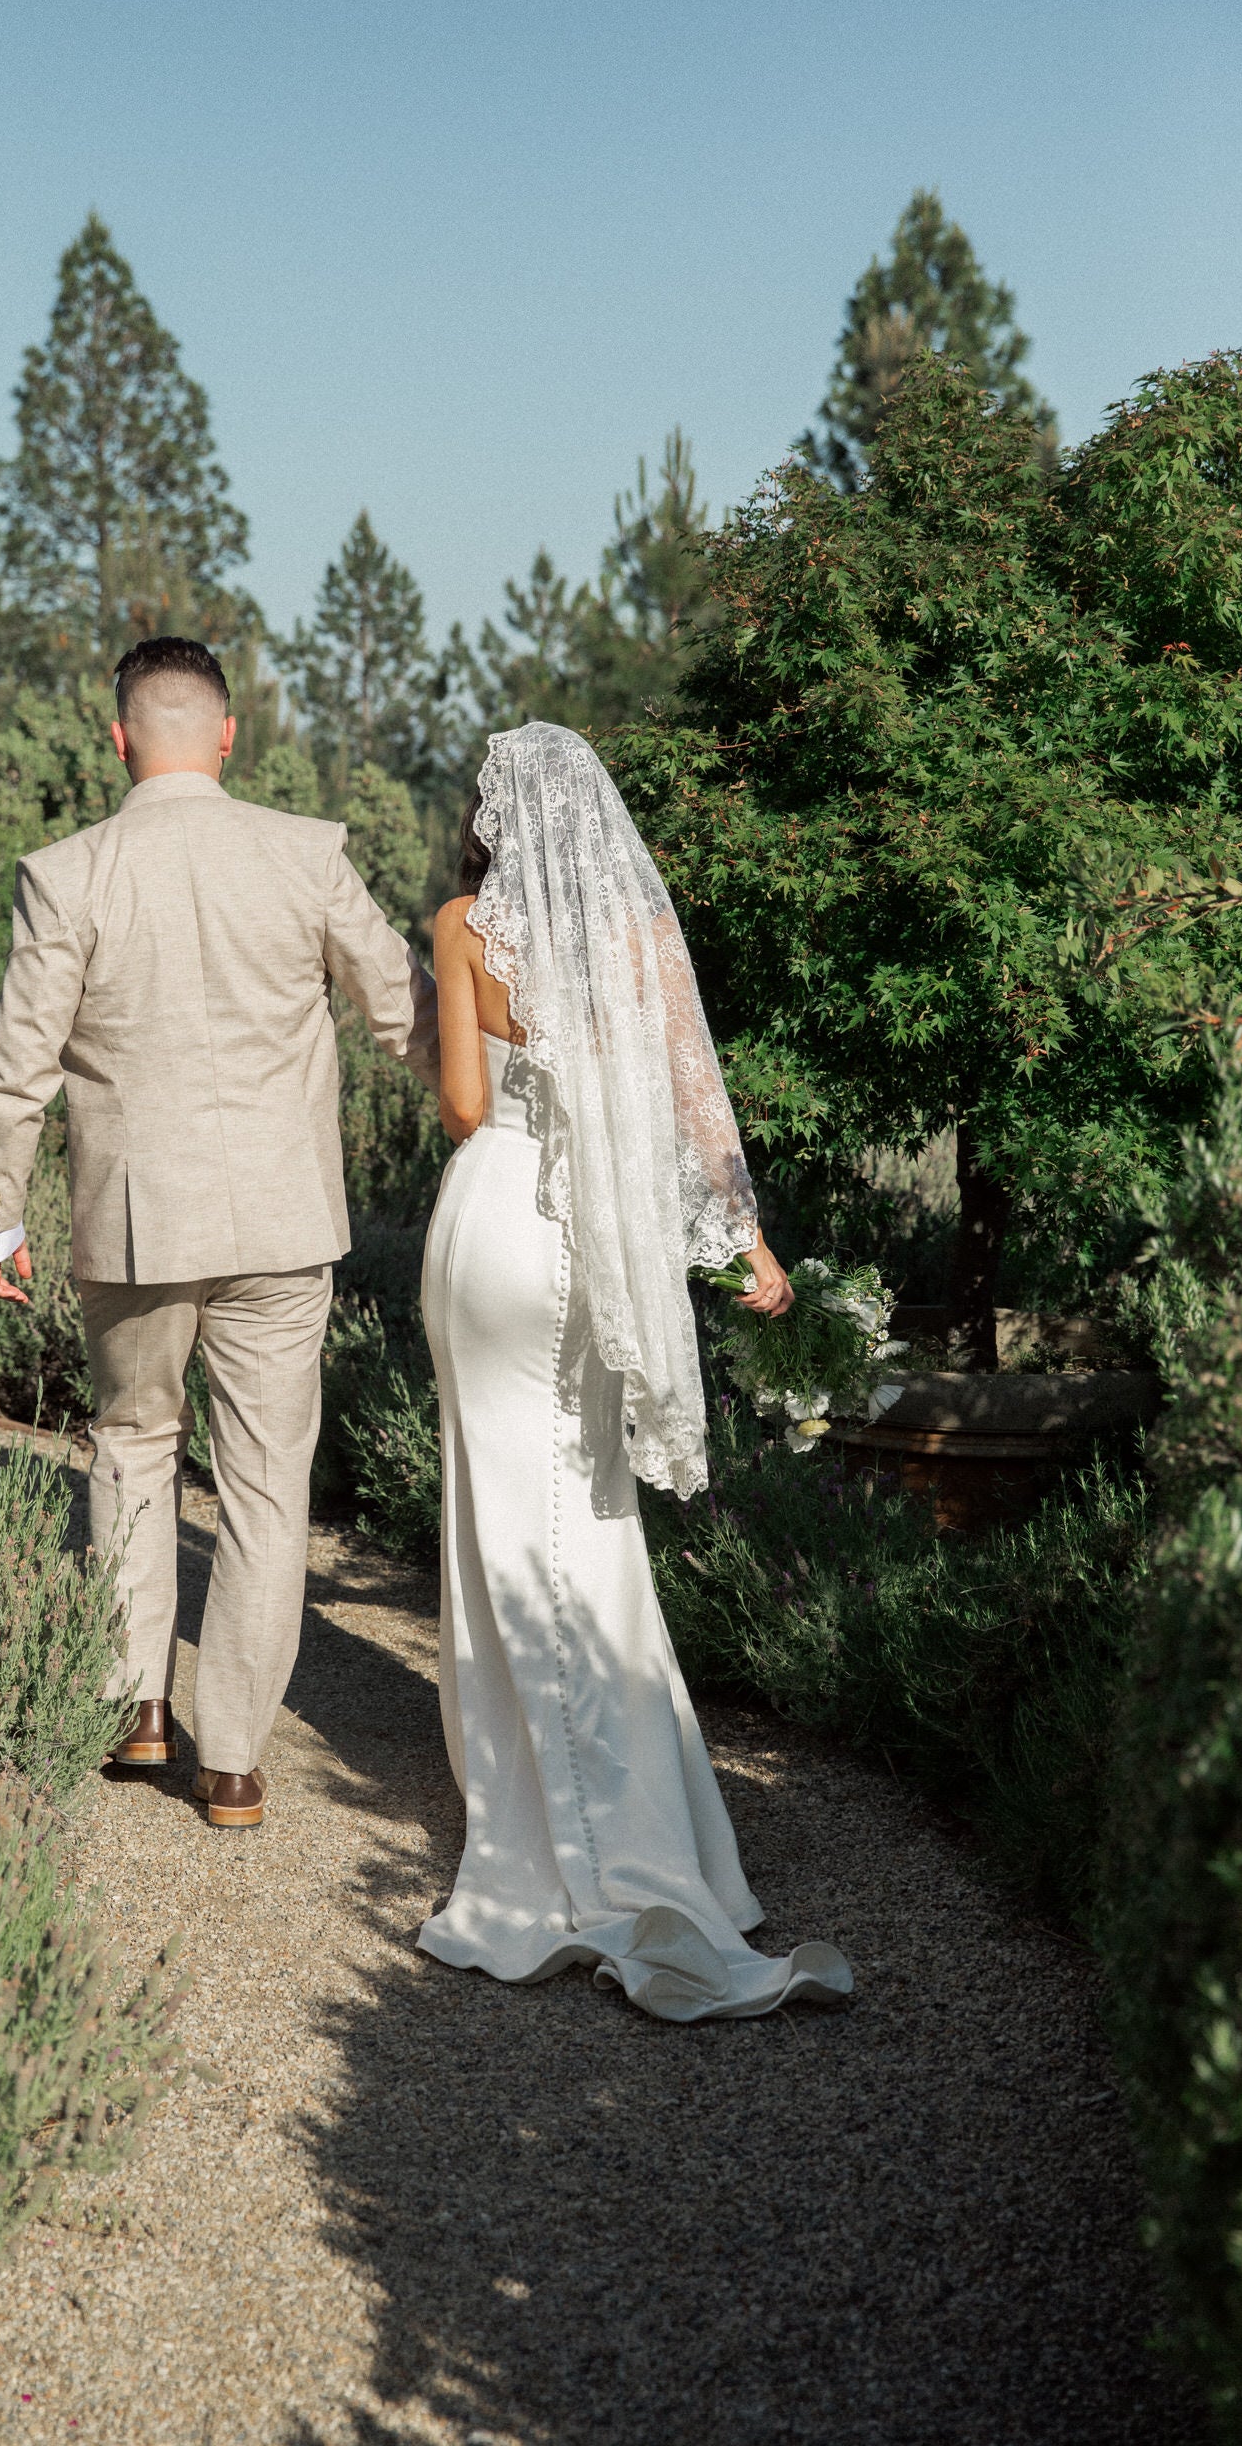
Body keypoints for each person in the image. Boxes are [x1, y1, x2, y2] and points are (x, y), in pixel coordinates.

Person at [418, 722, 852, 2021]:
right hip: (577, 1245)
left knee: (500, 1530)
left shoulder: (460, 928)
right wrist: (749, 1247)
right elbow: (688, 1112)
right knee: (579, 1522)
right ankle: (635, 1840)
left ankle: (548, 1847)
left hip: (480, 1224)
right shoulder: (634, 936)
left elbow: (458, 1107)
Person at [0, 636, 439, 1827]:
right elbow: (407, 1014)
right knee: (270, 1485)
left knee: (133, 1443)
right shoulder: (306, 852)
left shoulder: (68, 872)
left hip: (135, 1225)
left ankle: (135, 1709)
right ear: (230, 733)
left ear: (118, 737)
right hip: (283, 1221)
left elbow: (14, 1071)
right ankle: (232, 1759)